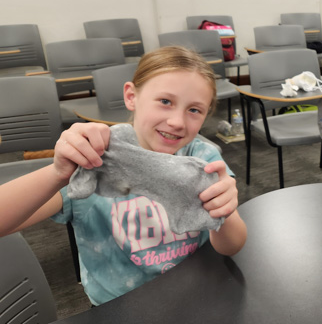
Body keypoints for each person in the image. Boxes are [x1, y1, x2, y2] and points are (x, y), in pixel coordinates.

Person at [0, 46, 247, 306]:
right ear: (131, 96)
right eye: (165, 101)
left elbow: (231, 246)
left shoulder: (203, 159)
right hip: (118, 306)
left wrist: (224, 213)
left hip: (192, 294)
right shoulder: (95, 157)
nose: (177, 121)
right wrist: (58, 174)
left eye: (194, 110)